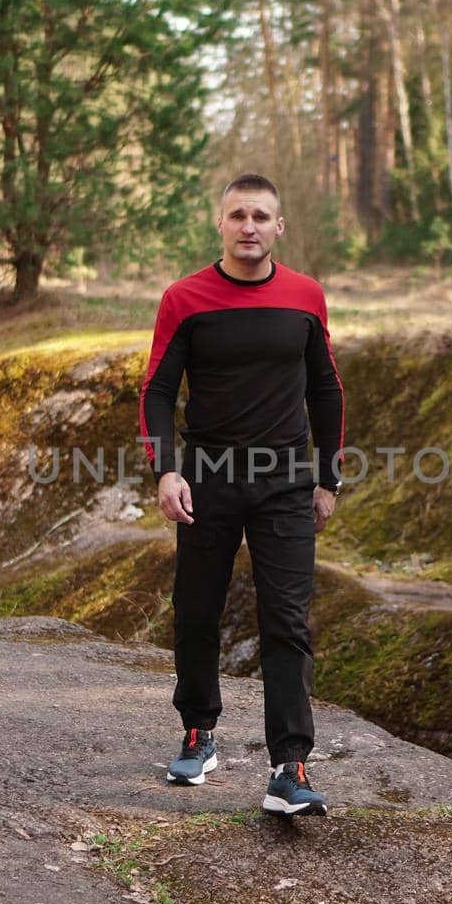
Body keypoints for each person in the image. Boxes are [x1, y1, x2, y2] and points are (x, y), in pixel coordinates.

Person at [139, 173, 345, 817]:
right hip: (207, 480)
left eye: (261, 216)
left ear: (280, 227)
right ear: (220, 225)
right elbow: (156, 391)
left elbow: (326, 389)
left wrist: (328, 476)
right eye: (237, 215)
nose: (249, 226)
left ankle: (290, 766)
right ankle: (199, 734)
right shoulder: (185, 297)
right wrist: (166, 471)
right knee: (197, 610)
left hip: (285, 482)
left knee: (287, 621)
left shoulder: (306, 296)